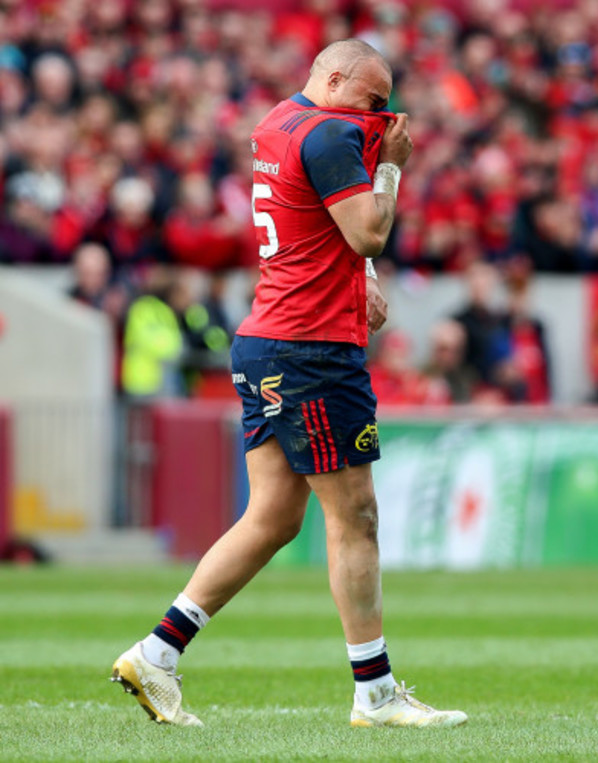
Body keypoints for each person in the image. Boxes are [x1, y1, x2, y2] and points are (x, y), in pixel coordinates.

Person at [111, 39, 467, 730]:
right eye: (374, 100)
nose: (382, 118)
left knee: (272, 516)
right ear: (334, 78)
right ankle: (376, 691)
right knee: (354, 517)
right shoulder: (337, 132)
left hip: (267, 338)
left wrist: (357, 279)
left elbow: (306, 219)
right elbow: (368, 231)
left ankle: (157, 653)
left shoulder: (279, 120)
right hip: (312, 349)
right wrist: (391, 172)